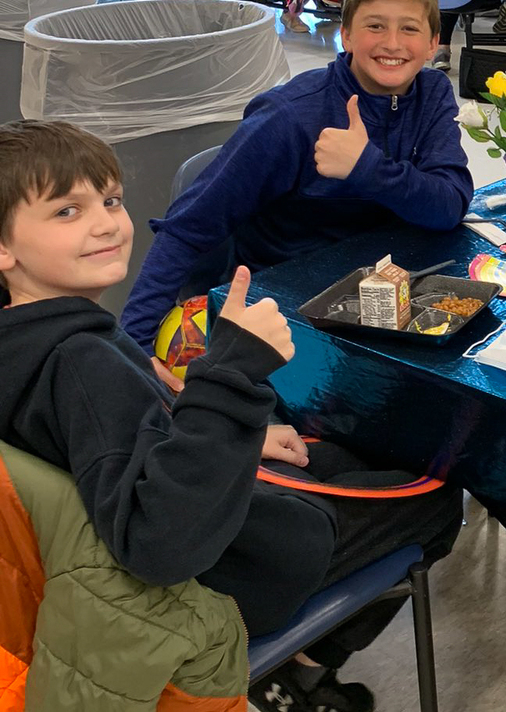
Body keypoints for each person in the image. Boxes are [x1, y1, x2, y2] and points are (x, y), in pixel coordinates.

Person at [0, 120, 465, 712]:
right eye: (67, 211)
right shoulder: (81, 363)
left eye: (110, 200)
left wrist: (231, 427)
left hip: (182, 524)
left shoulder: (30, 340)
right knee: (435, 491)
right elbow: (159, 543)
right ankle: (301, 677)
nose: (105, 223)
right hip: (235, 564)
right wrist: (232, 377)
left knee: (350, 453)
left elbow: (117, 447)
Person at [120, 0, 474, 362]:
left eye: (409, 28)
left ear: (433, 43)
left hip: (393, 302)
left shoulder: (432, 92)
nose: (393, 43)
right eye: (375, 26)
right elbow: (186, 229)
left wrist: (367, 168)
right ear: (346, 35)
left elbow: (449, 206)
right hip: (291, 315)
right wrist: (132, 354)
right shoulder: (289, 117)